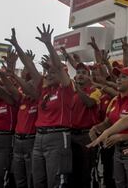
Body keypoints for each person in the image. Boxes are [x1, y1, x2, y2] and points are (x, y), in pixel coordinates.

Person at [31, 24, 74, 188]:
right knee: (38, 181)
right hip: (39, 138)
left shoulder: (66, 88)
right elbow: (32, 70)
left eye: (52, 72)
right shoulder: (45, 90)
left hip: (57, 137)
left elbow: (57, 66)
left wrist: (49, 44)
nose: (48, 74)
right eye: (47, 72)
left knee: (55, 182)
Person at [88, 66, 128, 188]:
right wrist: (96, 128)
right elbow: (108, 122)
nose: (118, 80)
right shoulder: (114, 100)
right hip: (117, 150)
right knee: (118, 184)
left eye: (123, 77)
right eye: (118, 77)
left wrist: (121, 137)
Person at [70, 62, 102, 187]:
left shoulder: (95, 91)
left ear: (89, 76)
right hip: (71, 135)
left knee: (86, 173)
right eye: (78, 73)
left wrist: (78, 90)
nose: (80, 75)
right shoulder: (71, 93)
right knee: (72, 173)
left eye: (84, 73)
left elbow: (89, 103)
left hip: (86, 136)